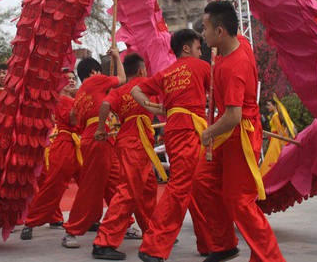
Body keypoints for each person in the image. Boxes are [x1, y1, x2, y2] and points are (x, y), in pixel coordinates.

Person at [194, 1, 285, 262]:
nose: (203, 34)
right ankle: (224, 244)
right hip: (227, 134)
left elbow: (233, 117)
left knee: (239, 201)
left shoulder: (235, 67)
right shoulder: (238, 42)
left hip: (239, 135)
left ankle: (271, 258)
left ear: (220, 32)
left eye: (205, 28)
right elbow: (235, 32)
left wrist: (206, 133)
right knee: (202, 181)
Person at [130, 29, 211, 262]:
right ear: (186, 48)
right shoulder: (201, 66)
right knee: (179, 187)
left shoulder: (166, 73)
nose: (200, 51)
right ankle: (153, 246)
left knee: (196, 186)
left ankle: (209, 243)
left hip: (174, 128)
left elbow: (136, 90)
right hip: (189, 128)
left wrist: (155, 109)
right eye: (198, 47)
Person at [92, 53, 163, 260]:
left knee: (147, 187)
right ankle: (103, 242)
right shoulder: (148, 84)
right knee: (128, 190)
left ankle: (153, 232)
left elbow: (104, 106)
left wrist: (100, 129)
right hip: (137, 141)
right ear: (141, 70)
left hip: (126, 140)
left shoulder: (119, 91)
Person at [61, 48, 126, 249]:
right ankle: (71, 230)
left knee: (115, 185)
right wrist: (116, 57)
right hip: (98, 139)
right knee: (91, 188)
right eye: (100, 72)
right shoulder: (94, 81)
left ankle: (123, 224)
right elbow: (122, 79)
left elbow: (74, 118)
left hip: (96, 139)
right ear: (93, 73)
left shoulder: (80, 95)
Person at [21, 70, 81, 240]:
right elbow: (74, 120)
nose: (71, 81)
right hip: (65, 145)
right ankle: (31, 222)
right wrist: (83, 103)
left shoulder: (75, 98)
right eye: (67, 79)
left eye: (72, 78)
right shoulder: (61, 99)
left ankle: (87, 219)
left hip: (80, 145)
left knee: (91, 186)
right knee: (54, 186)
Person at [259, 98, 297, 176]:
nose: (267, 107)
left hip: (276, 140)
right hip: (274, 138)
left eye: (269, 105)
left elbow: (279, 130)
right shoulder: (275, 115)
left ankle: (268, 176)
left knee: (272, 158)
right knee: (273, 157)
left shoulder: (275, 116)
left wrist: (282, 142)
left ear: (275, 105)